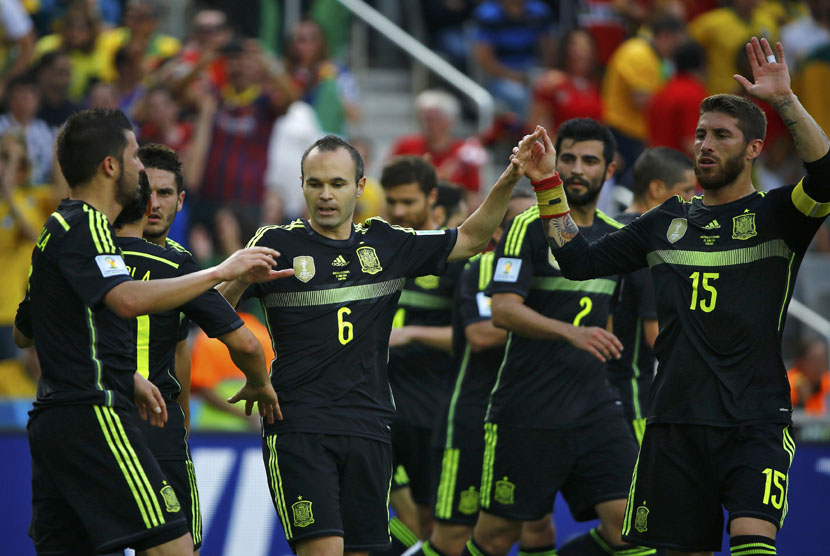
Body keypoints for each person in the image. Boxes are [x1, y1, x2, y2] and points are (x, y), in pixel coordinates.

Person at [533, 38, 828, 555]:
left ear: (754, 148)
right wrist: (546, 186)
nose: (704, 145)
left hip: (753, 420)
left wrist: (785, 101)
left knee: (753, 544)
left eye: (721, 135)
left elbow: (827, 177)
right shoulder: (665, 222)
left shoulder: (780, 215)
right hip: (673, 422)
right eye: (699, 134)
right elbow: (577, 261)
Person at [217, 133, 533, 556]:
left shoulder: (387, 244)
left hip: (370, 426)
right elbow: (212, 313)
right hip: (300, 425)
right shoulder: (277, 244)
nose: (325, 195)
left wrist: (510, 177)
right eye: (315, 184)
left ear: (361, 187)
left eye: (337, 183)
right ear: (302, 185)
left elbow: (472, 238)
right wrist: (239, 281)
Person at [12, 108, 286, 555]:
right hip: (97, 414)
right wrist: (223, 269)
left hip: (53, 419)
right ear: (110, 166)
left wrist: (119, 370)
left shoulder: (57, 228)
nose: (141, 167)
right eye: (135, 156)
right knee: (172, 549)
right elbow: (126, 300)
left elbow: (28, 332)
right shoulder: (89, 226)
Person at [463, 119, 649, 556]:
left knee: (631, 527)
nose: (577, 169)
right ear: (554, 163)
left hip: (595, 408)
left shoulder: (616, 237)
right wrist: (572, 334)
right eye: (568, 158)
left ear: (610, 169)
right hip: (527, 410)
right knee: (495, 538)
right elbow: (505, 310)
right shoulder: (526, 226)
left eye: (590, 160)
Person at [114, 143, 286, 553]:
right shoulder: (106, 254)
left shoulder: (179, 259)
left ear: (182, 201)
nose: (154, 204)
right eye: (146, 190)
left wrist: (184, 422)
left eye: (166, 194)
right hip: (118, 418)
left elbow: (186, 337)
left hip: (160, 426)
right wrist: (261, 382)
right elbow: (240, 341)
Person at [417, 191, 556, 556]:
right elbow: (480, 334)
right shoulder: (483, 268)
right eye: (521, 224)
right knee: (451, 539)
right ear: (497, 233)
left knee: (537, 528)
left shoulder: (550, 275)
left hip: (524, 423)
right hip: (471, 424)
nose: (534, 232)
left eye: (538, 222)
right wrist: (559, 323)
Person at [380, 156, 468, 550]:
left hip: (431, 413)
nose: (398, 212)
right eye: (391, 202)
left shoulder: (456, 261)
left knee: (426, 525)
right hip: (374, 412)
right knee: (363, 513)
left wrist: (410, 333)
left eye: (408, 202)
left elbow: (477, 336)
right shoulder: (374, 255)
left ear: (432, 199)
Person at [609, 147, 695, 444]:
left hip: (599, 389)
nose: (692, 201)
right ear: (657, 189)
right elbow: (655, 334)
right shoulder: (648, 243)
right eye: (686, 191)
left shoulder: (610, 230)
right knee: (642, 486)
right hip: (632, 392)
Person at [602, 13, 686, 186]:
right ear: (665, 36)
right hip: (622, 135)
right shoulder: (638, 53)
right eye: (677, 43)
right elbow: (640, 100)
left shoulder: (656, 58)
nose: (678, 50)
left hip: (636, 135)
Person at [390, 90, 487, 197]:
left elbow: (475, 194)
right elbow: (390, 180)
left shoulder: (466, 152)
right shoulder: (406, 146)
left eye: (434, 119)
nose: (428, 124)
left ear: (450, 120)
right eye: (424, 118)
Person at [647, 41, 708, 158]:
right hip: (680, 169)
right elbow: (691, 143)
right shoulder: (693, 95)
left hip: (658, 164)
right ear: (703, 65)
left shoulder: (663, 91)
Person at [787, 338, 830, 415]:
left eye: (824, 361)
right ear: (801, 362)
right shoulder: (788, 385)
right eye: (816, 361)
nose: (821, 367)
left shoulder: (825, 380)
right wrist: (801, 401)